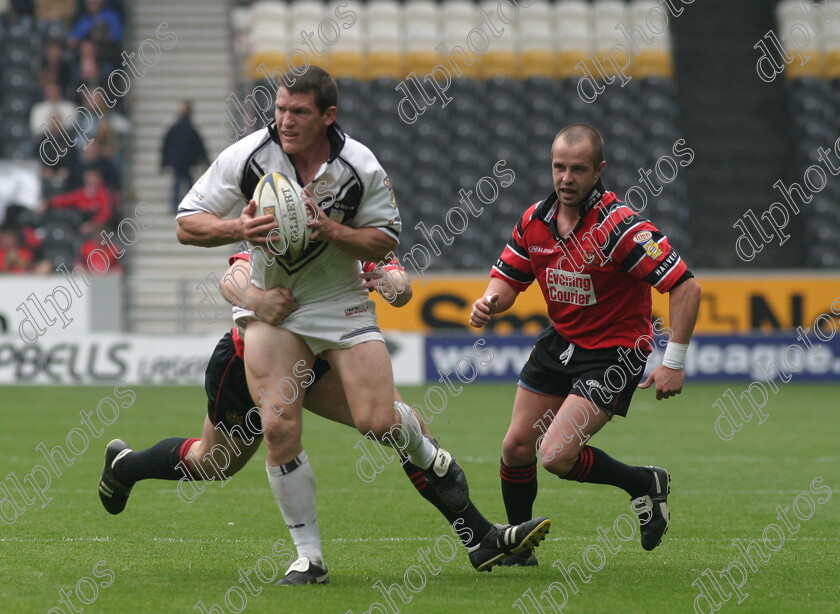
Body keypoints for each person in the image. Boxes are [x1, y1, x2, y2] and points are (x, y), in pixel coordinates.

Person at [174, 66, 550, 579]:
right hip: (274, 309)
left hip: (338, 300)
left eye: (299, 112)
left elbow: (385, 240)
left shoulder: (359, 166)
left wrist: (329, 228)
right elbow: (186, 223)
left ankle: (434, 459)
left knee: (378, 421)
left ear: (328, 116)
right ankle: (309, 558)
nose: (285, 120)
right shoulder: (248, 156)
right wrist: (236, 227)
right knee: (279, 427)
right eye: (280, 109)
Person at [469, 124, 701, 565]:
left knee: (555, 455)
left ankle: (642, 482)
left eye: (578, 169)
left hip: (614, 353)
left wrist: (674, 361)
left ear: (599, 171)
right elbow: (507, 280)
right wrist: (489, 303)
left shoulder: (622, 229)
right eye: (559, 167)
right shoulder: (535, 220)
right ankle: (518, 550)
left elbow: (686, 287)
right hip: (562, 342)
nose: (566, 178)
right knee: (516, 446)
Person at [161, 101, 209, 213]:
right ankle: (191, 204)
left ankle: (177, 206)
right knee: (185, 183)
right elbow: (200, 147)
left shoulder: (175, 128)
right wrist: (205, 162)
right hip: (186, 162)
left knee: (178, 183)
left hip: (179, 162)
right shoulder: (190, 128)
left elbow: (166, 146)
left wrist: (164, 163)